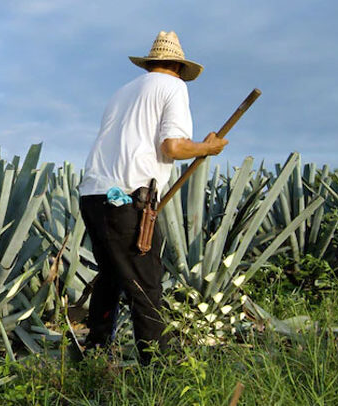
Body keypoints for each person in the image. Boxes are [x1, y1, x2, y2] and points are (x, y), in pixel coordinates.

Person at [78, 31, 228, 364]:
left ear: (151, 63)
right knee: (145, 286)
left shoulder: (123, 92)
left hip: (92, 195)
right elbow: (172, 147)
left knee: (112, 275)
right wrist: (208, 148)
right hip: (129, 199)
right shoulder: (173, 87)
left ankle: (96, 354)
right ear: (178, 66)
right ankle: (158, 370)